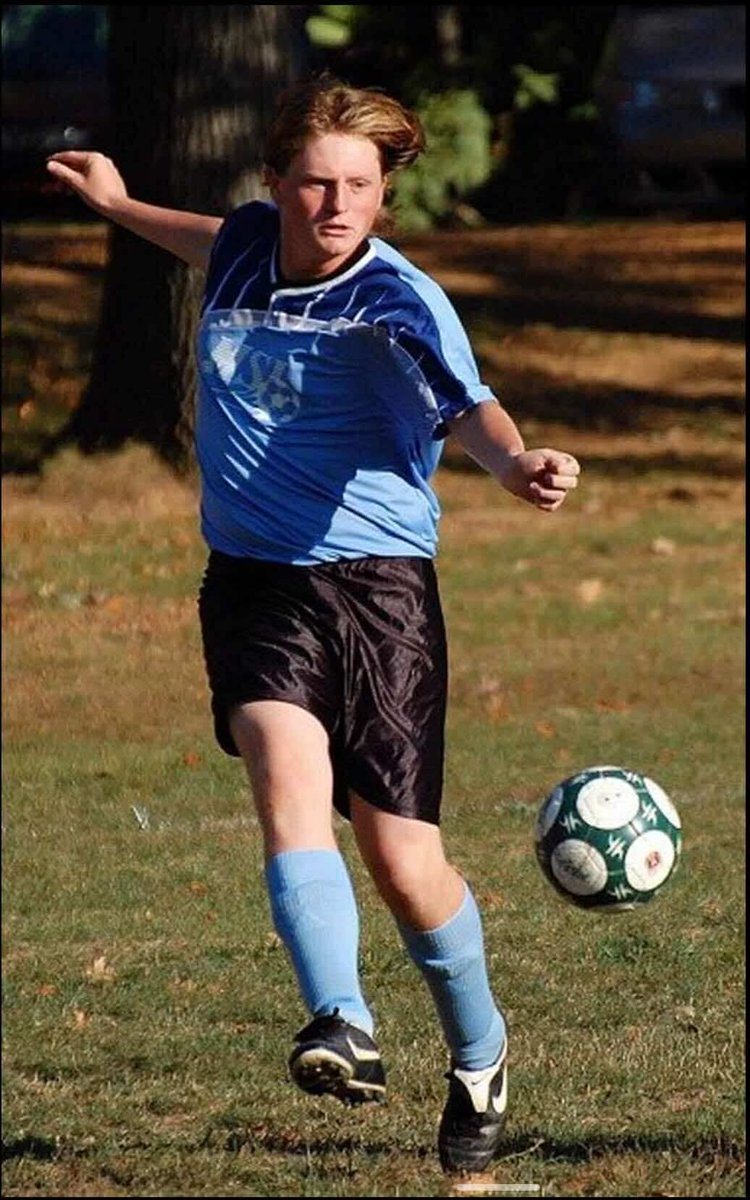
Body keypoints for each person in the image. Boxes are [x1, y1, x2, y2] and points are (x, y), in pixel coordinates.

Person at [47, 75, 580, 1176]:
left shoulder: (398, 301)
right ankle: (341, 1021)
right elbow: (204, 238)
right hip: (253, 583)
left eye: (359, 187)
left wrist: (514, 462)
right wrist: (117, 205)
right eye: (315, 183)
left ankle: (481, 1051)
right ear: (277, 186)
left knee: (401, 858)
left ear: (385, 195)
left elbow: (465, 405)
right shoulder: (249, 244)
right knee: (286, 776)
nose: (336, 206)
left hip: (380, 591)